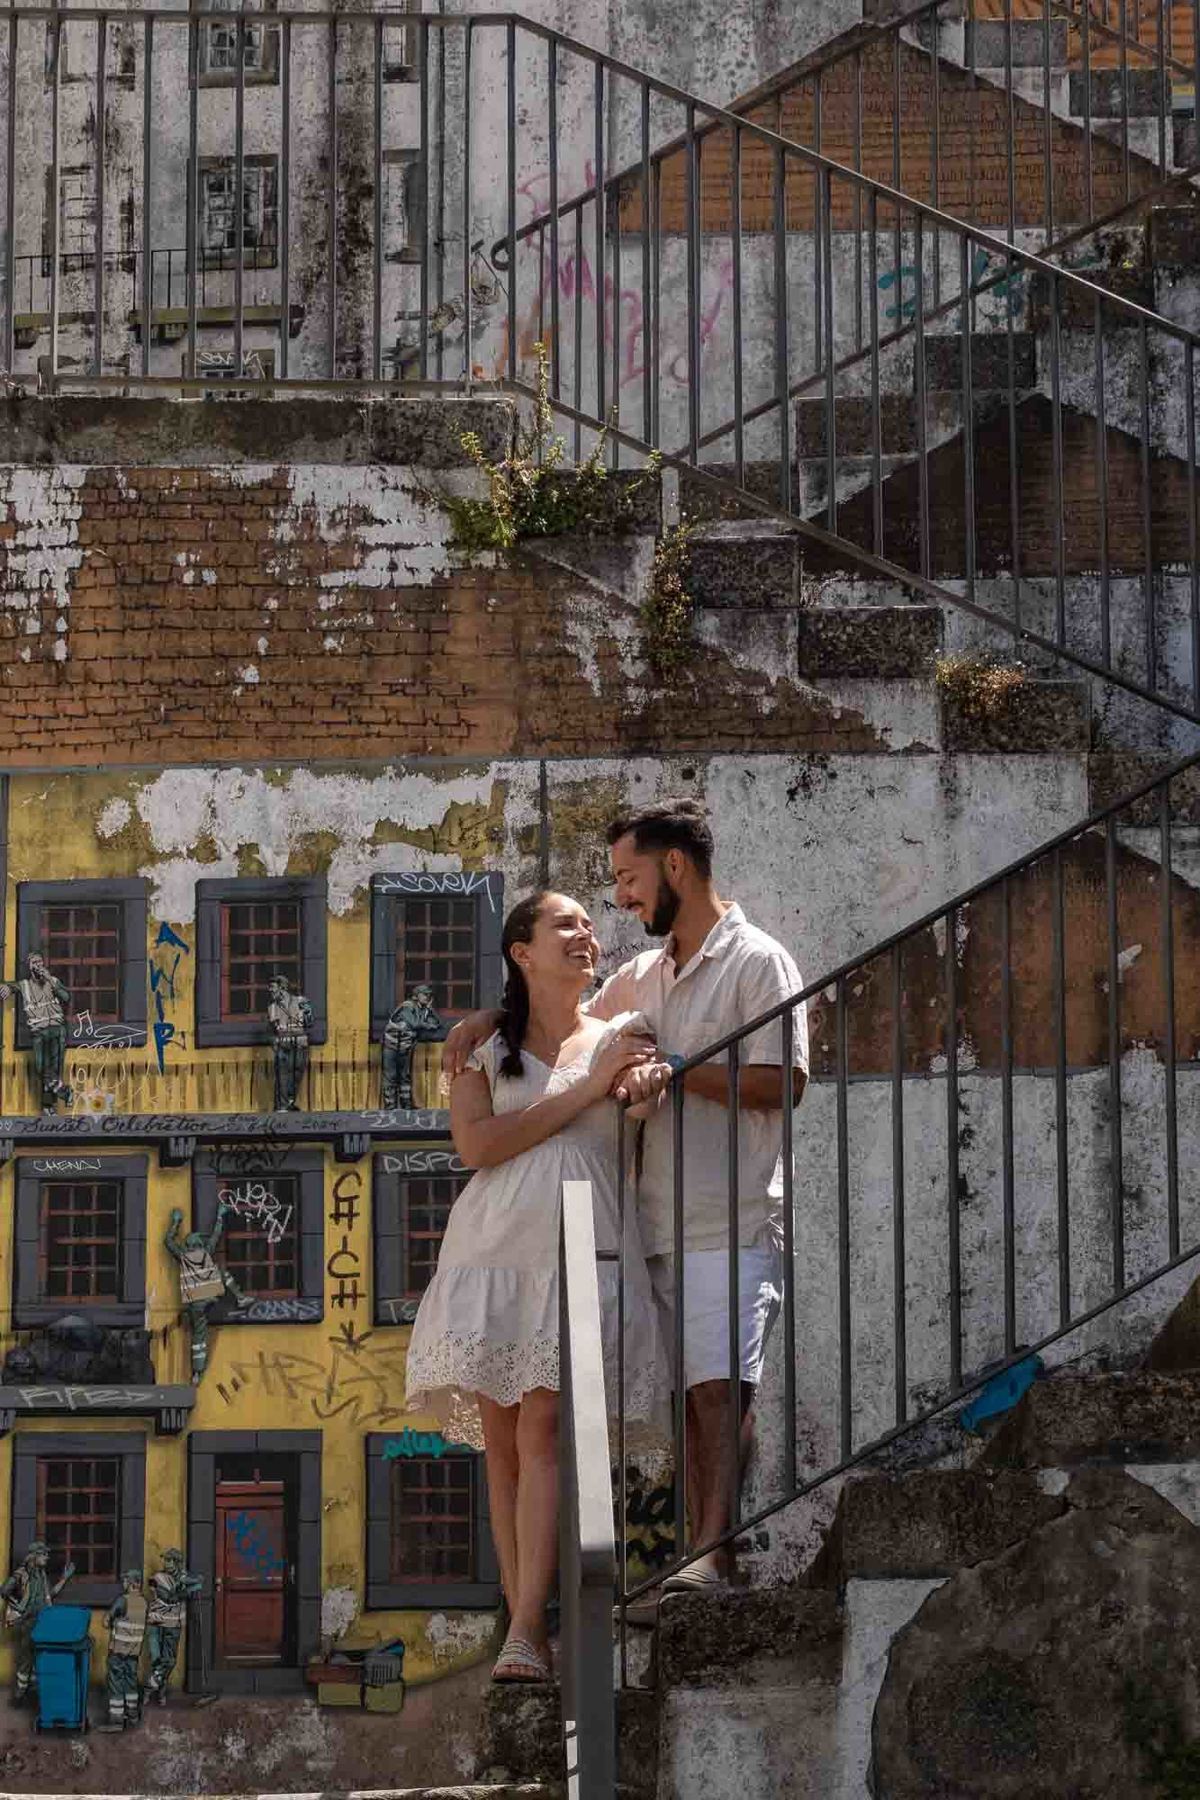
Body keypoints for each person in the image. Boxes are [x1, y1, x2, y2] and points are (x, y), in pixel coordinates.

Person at [443, 800, 807, 1615]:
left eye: (628, 877)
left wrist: (674, 1066)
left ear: (674, 866)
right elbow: (567, 1023)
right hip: (645, 1226)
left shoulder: (760, 962)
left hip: (729, 1214)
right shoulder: (640, 977)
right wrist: (493, 1015)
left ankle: (714, 1554)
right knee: (679, 1404)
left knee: (720, 1389)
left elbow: (781, 1082)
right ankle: (687, 1562)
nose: (622, 898)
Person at [405, 889, 668, 1683]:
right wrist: (586, 1090)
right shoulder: (483, 1048)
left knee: (544, 1425)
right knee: (505, 1449)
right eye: (566, 924)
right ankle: (524, 1627)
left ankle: (526, 1626)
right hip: (493, 1250)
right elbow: (479, 1147)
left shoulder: (623, 1033)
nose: (586, 933)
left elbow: (639, 1102)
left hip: (581, 1245)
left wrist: (639, 1089)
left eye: (589, 923)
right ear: (522, 952)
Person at [0, 953, 73, 1112]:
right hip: (38, 1032)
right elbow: (13, 987)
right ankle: (64, 1091)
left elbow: (66, 997)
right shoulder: (25, 985)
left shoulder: (53, 981)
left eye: (40, 961)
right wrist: (7, 987)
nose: (38, 965)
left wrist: (50, 980)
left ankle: (49, 1107)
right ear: (30, 966)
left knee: (54, 1070)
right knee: (41, 1068)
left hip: (57, 1030)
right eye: (34, 962)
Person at [145, 1549, 202, 1705]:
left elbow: (191, 1583)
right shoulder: (157, 1578)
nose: (166, 1563)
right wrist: (190, 1587)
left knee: (169, 1660)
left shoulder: (183, 1577)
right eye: (165, 1560)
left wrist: (193, 1583)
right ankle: (155, 1689)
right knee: (156, 1659)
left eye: (169, 1560)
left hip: (174, 1623)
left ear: (177, 1563)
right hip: (156, 1623)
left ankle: (153, 1687)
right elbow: (169, 1597)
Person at [100, 1568, 147, 1731]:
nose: (124, 1583)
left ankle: (116, 1720)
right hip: (134, 1651)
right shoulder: (143, 1602)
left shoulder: (122, 1600)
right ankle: (132, 1715)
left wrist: (111, 1622)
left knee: (116, 1682)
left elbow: (106, 1621)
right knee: (131, 1682)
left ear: (132, 1583)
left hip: (119, 1650)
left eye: (126, 1580)